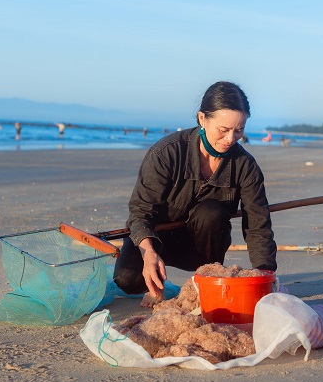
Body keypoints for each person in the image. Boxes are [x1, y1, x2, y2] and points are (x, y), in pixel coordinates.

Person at [113, 81, 277, 297]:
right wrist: (149, 253)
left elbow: (258, 226)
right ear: (202, 119)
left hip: (201, 246)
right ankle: (154, 274)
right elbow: (140, 212)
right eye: (223, 130)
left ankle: (207, 278)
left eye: (239, 131)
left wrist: (266, 276)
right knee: (127, 281)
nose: (230, 139)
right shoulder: (166, 153)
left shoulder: (245, 166)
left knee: (211, 211)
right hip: (157, 237)